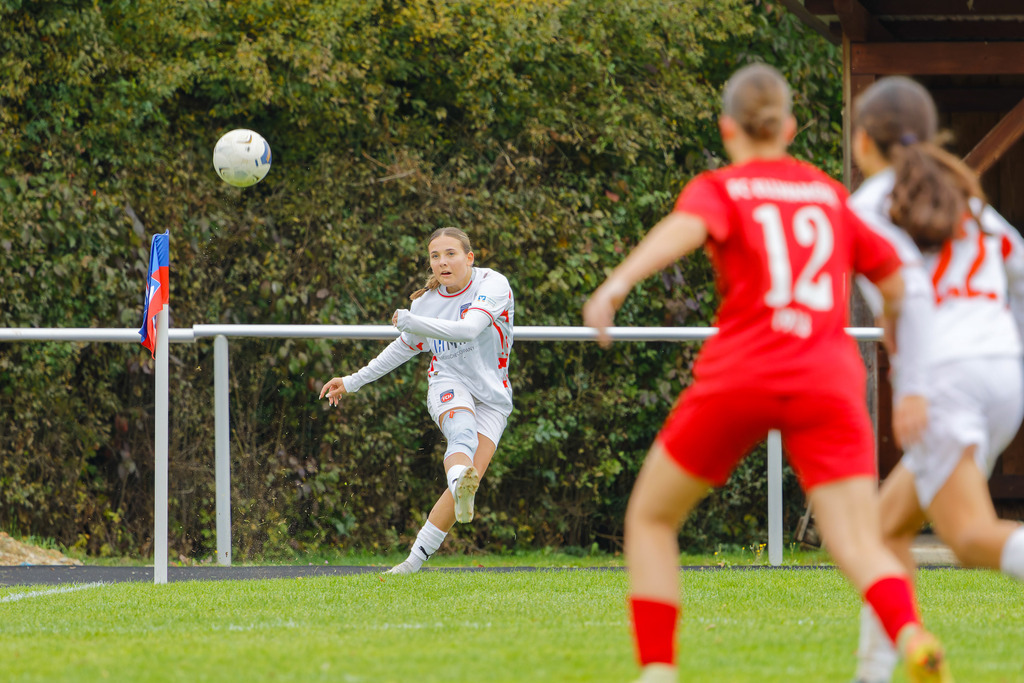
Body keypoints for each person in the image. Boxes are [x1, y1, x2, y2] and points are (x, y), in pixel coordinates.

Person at [582, 63, 951, 683]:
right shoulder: (829, 194)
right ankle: (910, 632)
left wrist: (617, 284)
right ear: (791, 127)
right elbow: (896, 283)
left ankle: (658, 672)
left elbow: (685, 227)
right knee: (859, 543)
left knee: (650, 517)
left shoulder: (721, 187)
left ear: (729, 128)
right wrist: (890, 324)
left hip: (743, 372)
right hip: (826, 379)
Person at [848, 76, 1024, 683]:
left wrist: (915, 385)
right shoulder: (965, 194)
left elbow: (913, 298)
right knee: (882, 528)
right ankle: (880, 671)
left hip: (945, 375)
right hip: (1000, 373)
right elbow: (1019, 262)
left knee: (970, 538)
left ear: (863, 140)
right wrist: (1009, 353)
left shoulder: (870, 203)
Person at [319, 227, 515, 575]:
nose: (442, 262)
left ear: (469, 258)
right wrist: (352, 381)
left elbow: (469, 329)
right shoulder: (425, 302)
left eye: (451, 254)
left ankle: (414, 561)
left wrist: (413, 321)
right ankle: (459, 484)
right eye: (435, 256)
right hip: (447, 381)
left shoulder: (493, 285)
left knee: (468, 478)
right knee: (462, 437)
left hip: (493, 398)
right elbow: (401, 349)